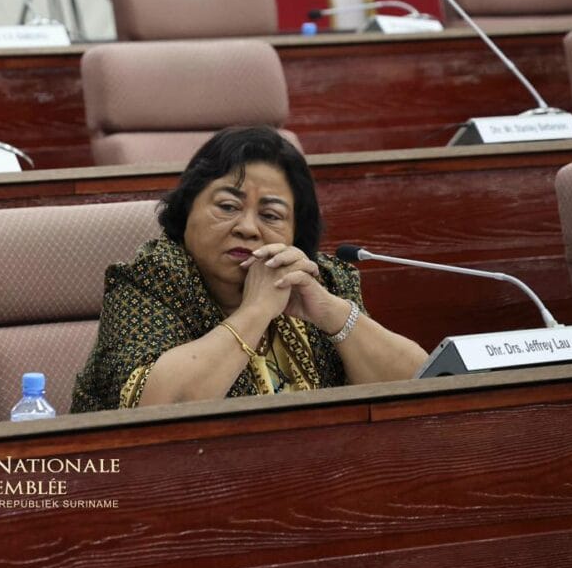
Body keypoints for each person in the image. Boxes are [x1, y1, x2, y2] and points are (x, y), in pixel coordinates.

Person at [71, 127, 426, 412]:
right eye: (228, 206)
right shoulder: (148, 280)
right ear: (186, 210)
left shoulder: (321, 280)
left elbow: (421, 387)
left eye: (271, 215)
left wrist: (332, 314)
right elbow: (159, 408)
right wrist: (255, 311)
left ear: (295, 235)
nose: (248, 228)